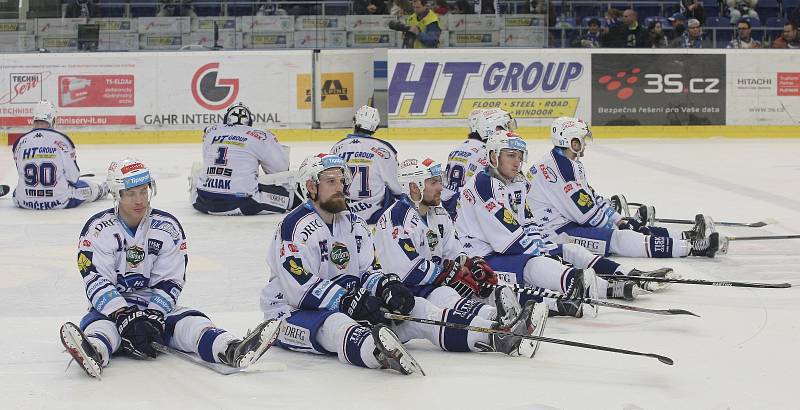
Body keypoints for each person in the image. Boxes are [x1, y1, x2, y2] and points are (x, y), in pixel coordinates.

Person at [259, 154, 542, 376]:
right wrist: (348, 301)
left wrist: (387, 286)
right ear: (310, 186)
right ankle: (378, 352)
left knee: (420, 309)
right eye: (331, 181)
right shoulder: (293, 227)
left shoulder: (354, 223)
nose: (340, 187)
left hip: (354, 303)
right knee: (338, 325)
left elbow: (369, 270)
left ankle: (496, 335)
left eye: (342, 181)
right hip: (290, 313)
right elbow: (299, 291)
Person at [59, 158, 280, 379]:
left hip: (155, 305)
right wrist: (122, 314)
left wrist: (154, 315)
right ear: (117, 195)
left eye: (143, 191)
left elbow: (172, 280)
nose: (139, 200)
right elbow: (96, 279)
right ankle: (94, 351)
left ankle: (230, 349)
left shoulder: (167, 227)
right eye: (130, 193)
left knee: (192, 324)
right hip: (112, 308)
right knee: (102, 328)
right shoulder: (98, 229)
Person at [455, 131, 657, 318]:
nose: (517, 162)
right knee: (538, 265)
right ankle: (600, 289)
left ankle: (622, 275)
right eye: (510, 156)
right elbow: (506, 238)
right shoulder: (482, 186)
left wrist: (540, 245)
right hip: (482, 257)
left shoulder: (517, 181)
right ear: (493, 157)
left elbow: (528, 221)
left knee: (570, 251)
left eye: (519, 156)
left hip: (506, 249)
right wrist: (539, 252)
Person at [373, 157, 549, 357]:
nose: (441, 187)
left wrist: (471, 263)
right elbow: (408, 271)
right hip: (402, 298)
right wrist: (445, 274)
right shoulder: (396, 219)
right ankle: (499, 335)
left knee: (457, 296)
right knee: (442, 304)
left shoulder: (438, 214)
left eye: (439, 181)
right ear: (414, 186)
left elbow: (453, 251)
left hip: (432, 287)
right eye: (433, 182)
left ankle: (501, 320)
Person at [527, 117, 720, 266]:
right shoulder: (559, 172)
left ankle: (686, 235)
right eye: (581, 140)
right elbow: (586, 215)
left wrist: (619, 219)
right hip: (555, 234)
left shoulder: (568, 163)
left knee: (629, 225)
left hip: (566, 223)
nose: (585, 143)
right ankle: (691, 248)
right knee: (620, 238)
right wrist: (616, 226)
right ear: (572, 142)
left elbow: (591, 197)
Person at [191, 102, 302, 216]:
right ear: (249, 123)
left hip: (202, 201)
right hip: (241, 201)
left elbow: (207, 160)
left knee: (198, 169)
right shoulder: (260, 136)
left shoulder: (211, 131)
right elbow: (280, 170)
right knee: (294, 194)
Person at [12, 101, 108, 210]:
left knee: (17, 191)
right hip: (59, 201)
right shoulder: (62, 140)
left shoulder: (19, 142)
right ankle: (102, 190)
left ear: (34, 119)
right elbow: (73, 177)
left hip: (25, 202)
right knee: (86, 187)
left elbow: (21, 173)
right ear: (53, 120)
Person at [331, 105, 403, 224]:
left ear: (354, 121)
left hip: (342, 214)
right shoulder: (385, 149)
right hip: (376, 216)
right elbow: (396, 188)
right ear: (376, 127)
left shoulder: (337, 147)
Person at [441, 108, 515, 219]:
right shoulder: (487, 152)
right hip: (467, 209)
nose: (510, 131)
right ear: (494, 129)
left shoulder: (459, 148)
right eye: (506, 126)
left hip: (448, 205)